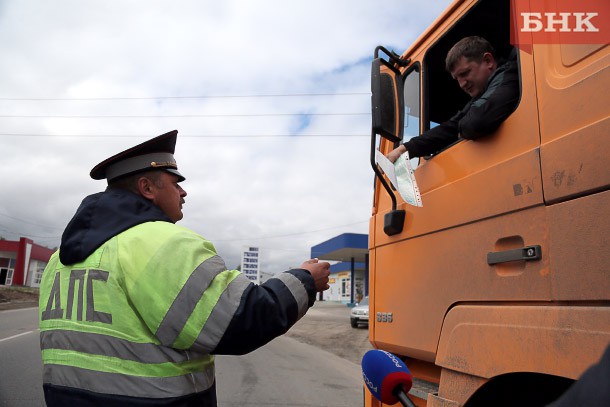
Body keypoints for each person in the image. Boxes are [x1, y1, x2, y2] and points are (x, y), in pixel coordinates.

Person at [39, 130, 331, 406]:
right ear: (147, 188)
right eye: (175, 182)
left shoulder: (59, 260)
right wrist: (304, 279)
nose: (183, 192)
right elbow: (241, 320)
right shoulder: (162, 243)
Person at [386, 36, 519, 162]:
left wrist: (462, 128)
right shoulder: (480, 96)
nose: (462, 84)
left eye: (465, 73)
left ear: (488, 61)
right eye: (457, 79)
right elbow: (450, 128)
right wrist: (405, 149)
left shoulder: (510, 74)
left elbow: (475, 122)